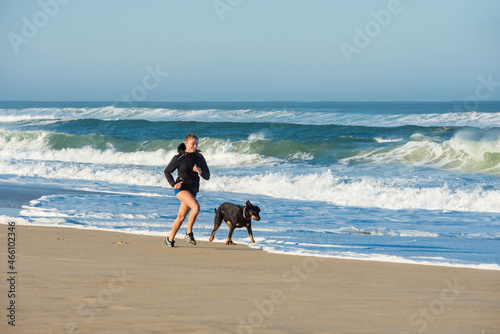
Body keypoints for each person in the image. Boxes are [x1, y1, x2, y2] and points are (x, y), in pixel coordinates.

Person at [164, 134, 210, 247]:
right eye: (192, 143)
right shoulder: (179, 158)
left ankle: (169, 239)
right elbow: (167, 171)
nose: (195, 146)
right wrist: (173, 184)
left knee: (181, 217)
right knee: (196, 208)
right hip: (182, 189)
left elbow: (207, 176)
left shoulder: (199, 158)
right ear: (186, 144)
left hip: (193, 190)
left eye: (196, 144)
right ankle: (189, 233)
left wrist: (200, 171)